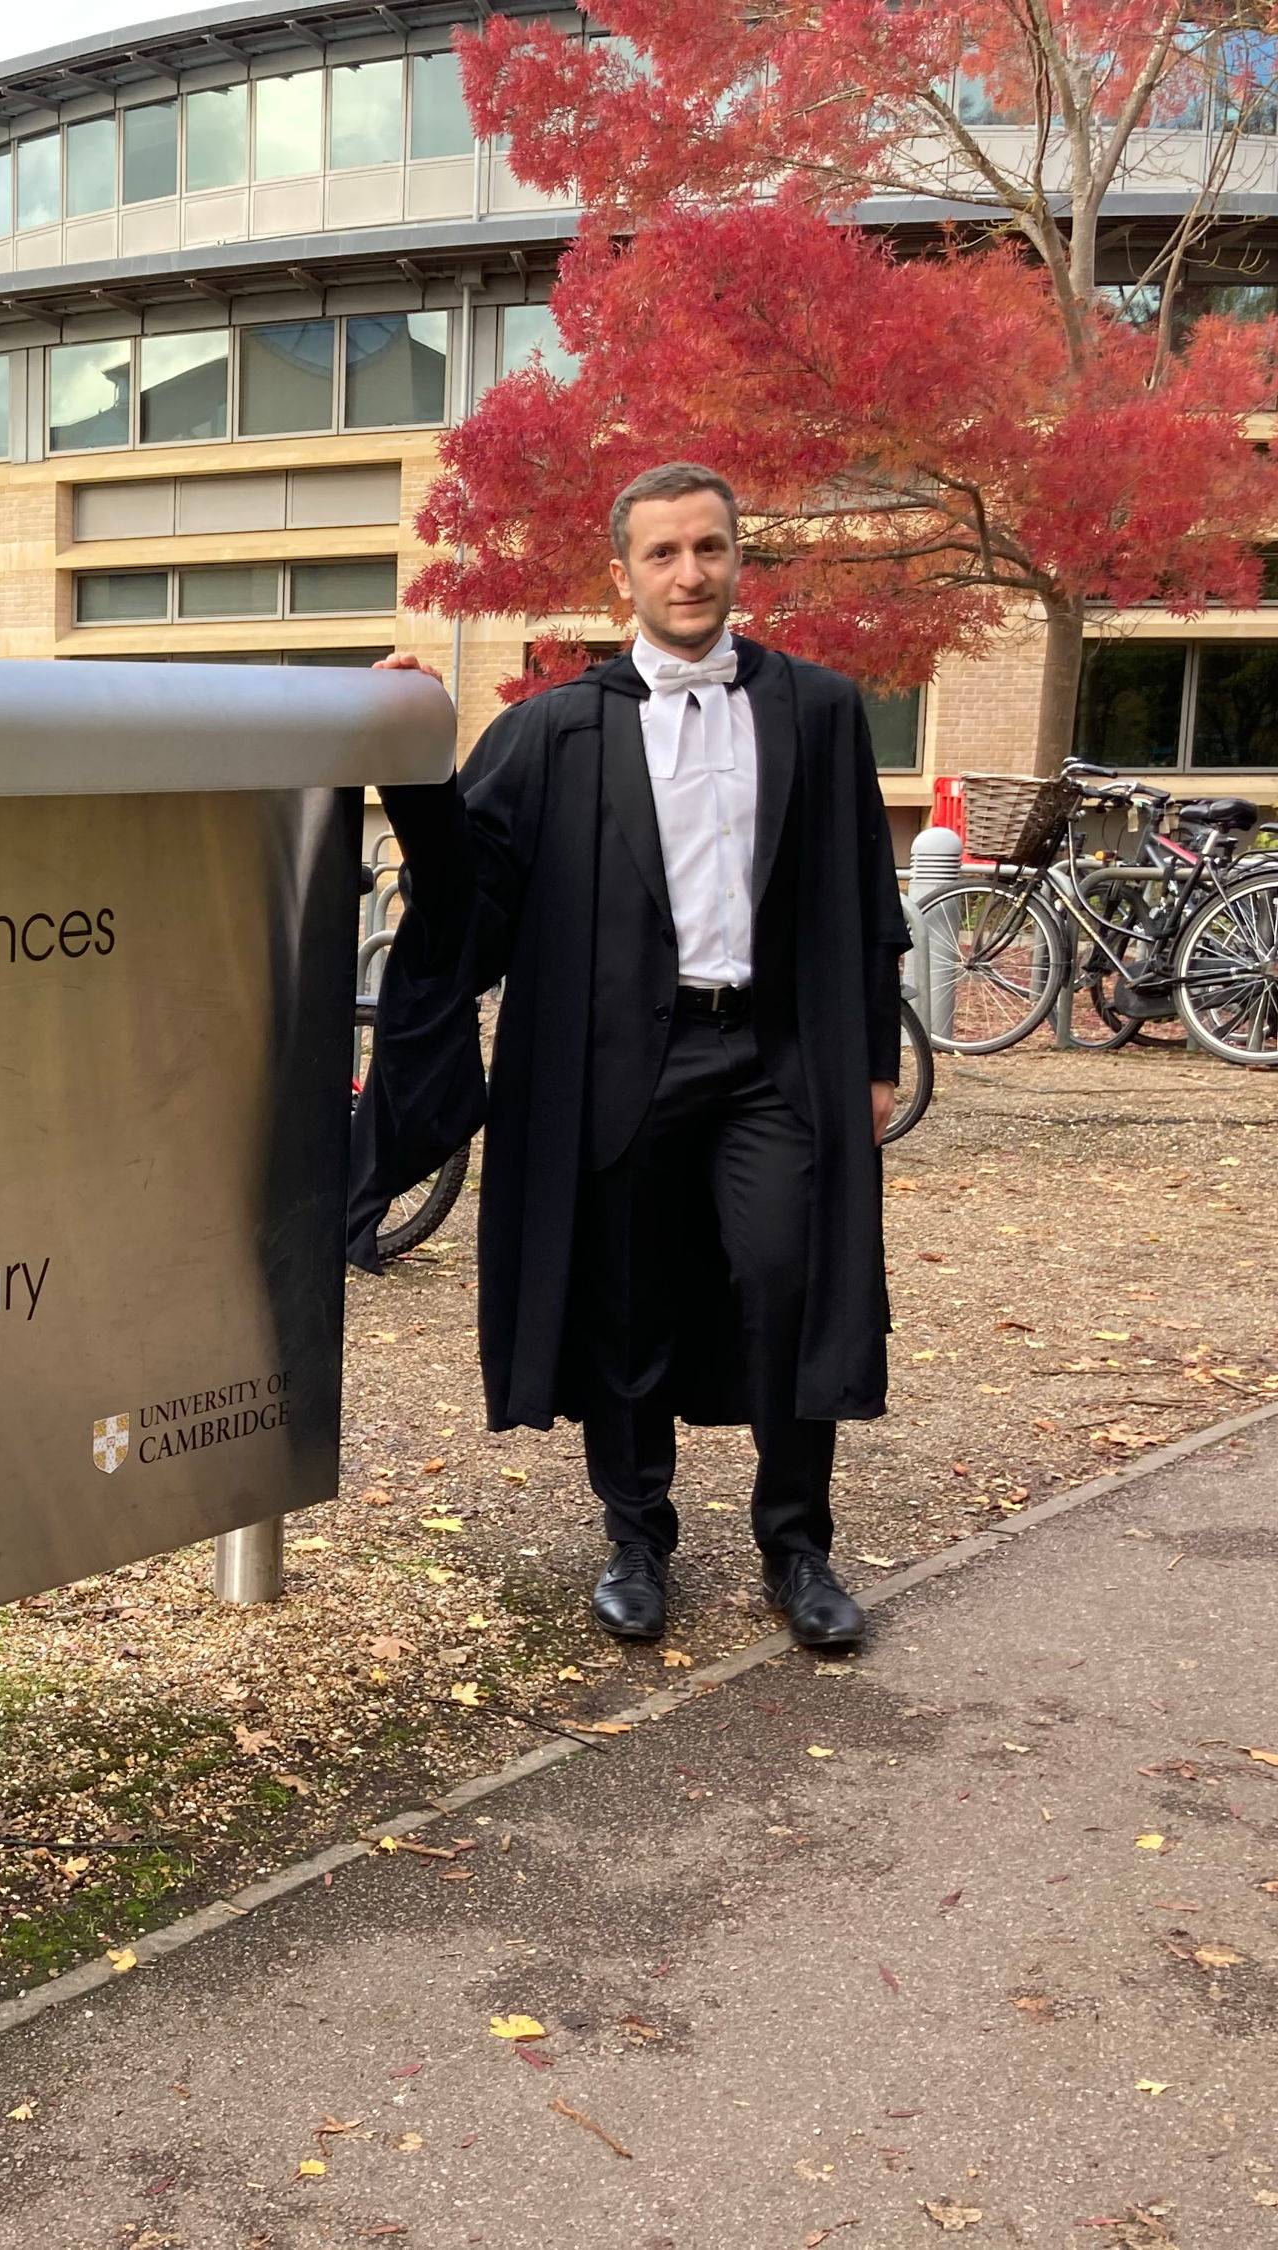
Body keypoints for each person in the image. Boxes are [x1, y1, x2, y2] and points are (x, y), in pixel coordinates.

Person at [365, 463, 906, 1651]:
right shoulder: (561, 728)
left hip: (770, 1057)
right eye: (663, 554)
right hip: (619, 1064)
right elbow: (474, 890)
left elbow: (866, 889)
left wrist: (871, 1057)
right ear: (622, 575)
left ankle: (796, 1545)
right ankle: (637, 1537)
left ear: (737, 560)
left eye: (709, 549)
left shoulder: (815, 709)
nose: (689, 573)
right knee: (624, 1301)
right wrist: (411, 758)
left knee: (787, 1280)